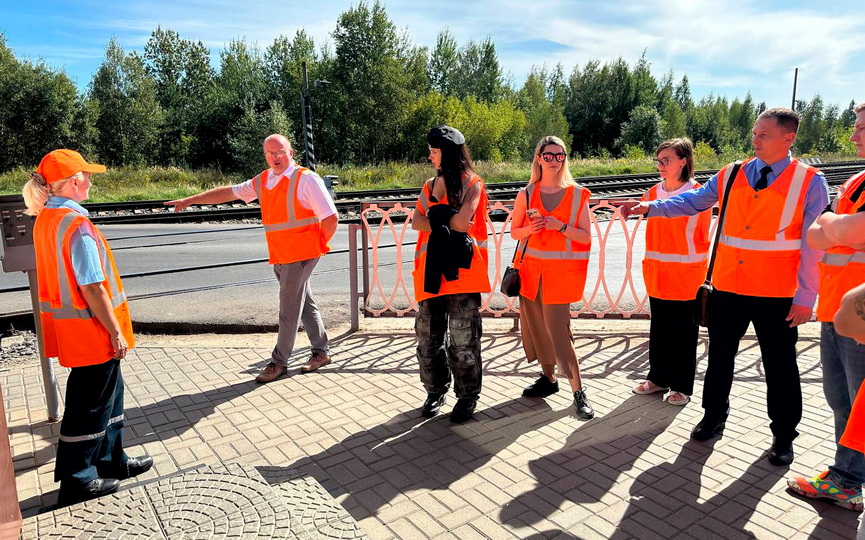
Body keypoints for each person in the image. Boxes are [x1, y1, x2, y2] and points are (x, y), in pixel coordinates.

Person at [624, 107, 830, 466]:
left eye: (763, 135)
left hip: (777, 294)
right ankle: (713, 417)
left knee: (780, 366)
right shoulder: (733, 173)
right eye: (754, 133)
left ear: (788, 138)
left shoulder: (810, 181)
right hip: (728, 288)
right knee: (719, 359)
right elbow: (693, 201)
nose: (755, 140)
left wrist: (805, 297)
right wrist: (650, 207)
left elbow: (813, 245)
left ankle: (783, 435)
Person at [23, 149, 153, 505]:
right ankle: (77, 479)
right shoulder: (76, 224)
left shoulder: (47, 219)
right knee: (90, 406)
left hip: (73, 329)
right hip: (92, 329)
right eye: (87, 176)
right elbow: (92, 285)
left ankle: (112, 460)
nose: (91, 181)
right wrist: (114, 331)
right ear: (75, 181)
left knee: (109, 399)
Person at [167, 134, 338, 382]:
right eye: (270, 153)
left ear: (291, 152)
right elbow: (229, 193)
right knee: (304, 301)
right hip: (280, 254)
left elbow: (331, 218)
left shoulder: (306, 179)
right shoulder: (264, 180)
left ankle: (279, 362)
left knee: (288, 311)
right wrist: (191, 200)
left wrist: (316, 247)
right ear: (265, 155)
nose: (275, 157)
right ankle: (321, 352)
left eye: (280, 152)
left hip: (301, 254)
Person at [787, 102, 865, 511]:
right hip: (837, 310)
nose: (854, 136)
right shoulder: (856, 181)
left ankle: (849, 480)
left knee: (859, 405)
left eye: (862, 128)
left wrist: (837, 227)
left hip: (863, 321)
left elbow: (843, 228)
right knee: (841, 399)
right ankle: (845, 473)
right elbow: (818, 235)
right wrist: (840, 228)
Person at [510, 135, 594, 419]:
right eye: (549, 155)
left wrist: (560, 226)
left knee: (559, 334)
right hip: (531, 275)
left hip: (560, 277)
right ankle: (549, 379)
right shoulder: (527, 193)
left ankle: (578, 393)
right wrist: (531, 230)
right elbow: (515, 232)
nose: (555, 161)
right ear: (538, 158)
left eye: (560, 155)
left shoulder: (577, 194)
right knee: (537, 329)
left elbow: (585, 237)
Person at [412, 125, 490, 423]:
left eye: (434, 152)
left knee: (463, 341)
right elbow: (417, 222)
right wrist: (445, 218)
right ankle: (435, 391)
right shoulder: (429, 185)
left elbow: (461, 223)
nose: (430, 157)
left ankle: (467, 396)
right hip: (430, 274)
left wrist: (435, 216)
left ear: (447, 154)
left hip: (462, 275)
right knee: (427, 339)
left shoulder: (473, 183)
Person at [633, 138, 710, 406]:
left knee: (684, 332)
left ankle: (681, 385)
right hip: (657, 271)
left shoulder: (699, 193)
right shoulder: (653, 192)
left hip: (687, 273)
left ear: (684, 161)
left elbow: (698, 235)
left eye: (666, 160)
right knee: (661, 328)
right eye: (659, 160)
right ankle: (658, 378)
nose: (661, 165)